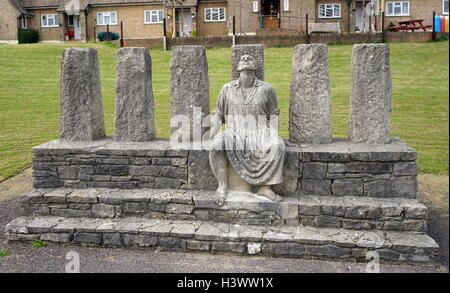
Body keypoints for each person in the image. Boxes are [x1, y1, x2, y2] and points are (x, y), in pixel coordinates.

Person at [209, 54, 285, 206]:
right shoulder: (227, 88)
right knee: (216, 144)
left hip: (260, 131)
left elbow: (273, 114)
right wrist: (213, 132)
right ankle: (222, 186)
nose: (245, 58)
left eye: (249, 58)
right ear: (238, 68)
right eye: (242, 58)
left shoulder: (267, 89)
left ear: (255, 67)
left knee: (277, 145)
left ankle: (265, 187)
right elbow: (218, 113)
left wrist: (275, 134)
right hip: (234, 132)